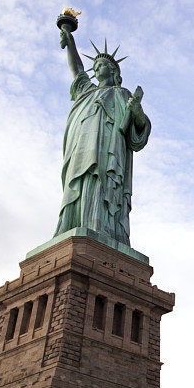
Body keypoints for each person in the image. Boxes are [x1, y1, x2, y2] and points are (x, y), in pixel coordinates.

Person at [55, 29, 151, 245]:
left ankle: (102, 227)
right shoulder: (86, 92)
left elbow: (139, 130)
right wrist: (70, 43)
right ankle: (72, 225)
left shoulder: (122, 94)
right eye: (95, 66)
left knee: (101, 183)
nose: (97, 68)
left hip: (108, 149)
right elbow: (77, 70)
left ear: (114, 71)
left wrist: (136, 112)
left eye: (103, 65)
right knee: (80, 183)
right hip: (81, 147)